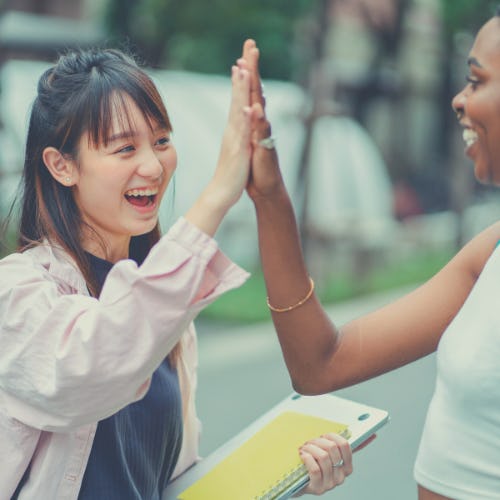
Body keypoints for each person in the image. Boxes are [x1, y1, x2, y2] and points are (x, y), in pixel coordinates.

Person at [0, 45, 351, 498]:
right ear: (61, 165)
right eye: (125, 148)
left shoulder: (167, 314)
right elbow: (93, 367)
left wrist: (288, 473)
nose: (152, 166)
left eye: (161, 141)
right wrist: (221, 189)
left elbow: (167, 486)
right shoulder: (17, 292)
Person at [240, 9, 500, 500]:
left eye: (477, 82)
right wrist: (270, 197)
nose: (459, 100)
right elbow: (322, 363)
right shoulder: (492, 251)